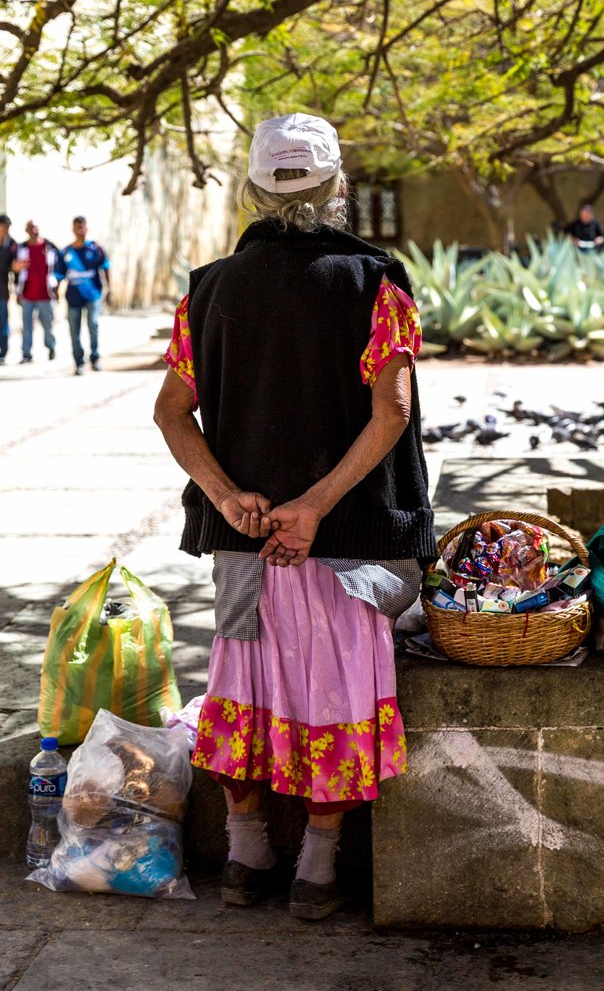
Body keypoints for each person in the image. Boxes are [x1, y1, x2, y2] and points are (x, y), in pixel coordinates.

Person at [153, 113, 434, 920]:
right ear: (337, 188)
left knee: (243, 684)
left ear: (253, 191)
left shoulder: (207, 289)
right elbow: (392, 412)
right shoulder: (376, 281)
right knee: (340, 694)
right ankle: (315, 872)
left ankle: (246, 857)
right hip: (348, 541)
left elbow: (173, 414)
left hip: (245, 543)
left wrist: (226, 494)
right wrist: (313, 507)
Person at [58, 216, 112, 375]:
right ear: (73, 229)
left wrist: (110, 289)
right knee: (74, 330)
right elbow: (60, 274)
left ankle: (95, 358)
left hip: (93, 294)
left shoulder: (96, 249)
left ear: (86, 228)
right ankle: (79, 362)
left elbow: (106, 267)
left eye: (82, 227)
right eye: (77, 227)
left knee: (93, 325)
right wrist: (55, 293)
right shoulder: (67, 251)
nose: (80, 230)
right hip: (73, 296)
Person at [13, 221, 60, 364]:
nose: (34, 229)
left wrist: (56, 289)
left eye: (36, 226)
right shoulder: (21, 248)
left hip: (46, 295)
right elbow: (15, 271)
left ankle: (51, 348)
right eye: (31, 227)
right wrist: (17, 291)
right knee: (27, 326)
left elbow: (58, 268)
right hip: (27, 295)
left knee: (48, 324)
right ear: (26, 230)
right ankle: (26, 354)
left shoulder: (49, 247)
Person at [0, 215, 16, 365]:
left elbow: (16, 268)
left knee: (3, 322)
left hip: (2, 290)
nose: (5, 230)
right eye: (2, 227)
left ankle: (3, 352)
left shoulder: (12, 245)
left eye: (7, 227)